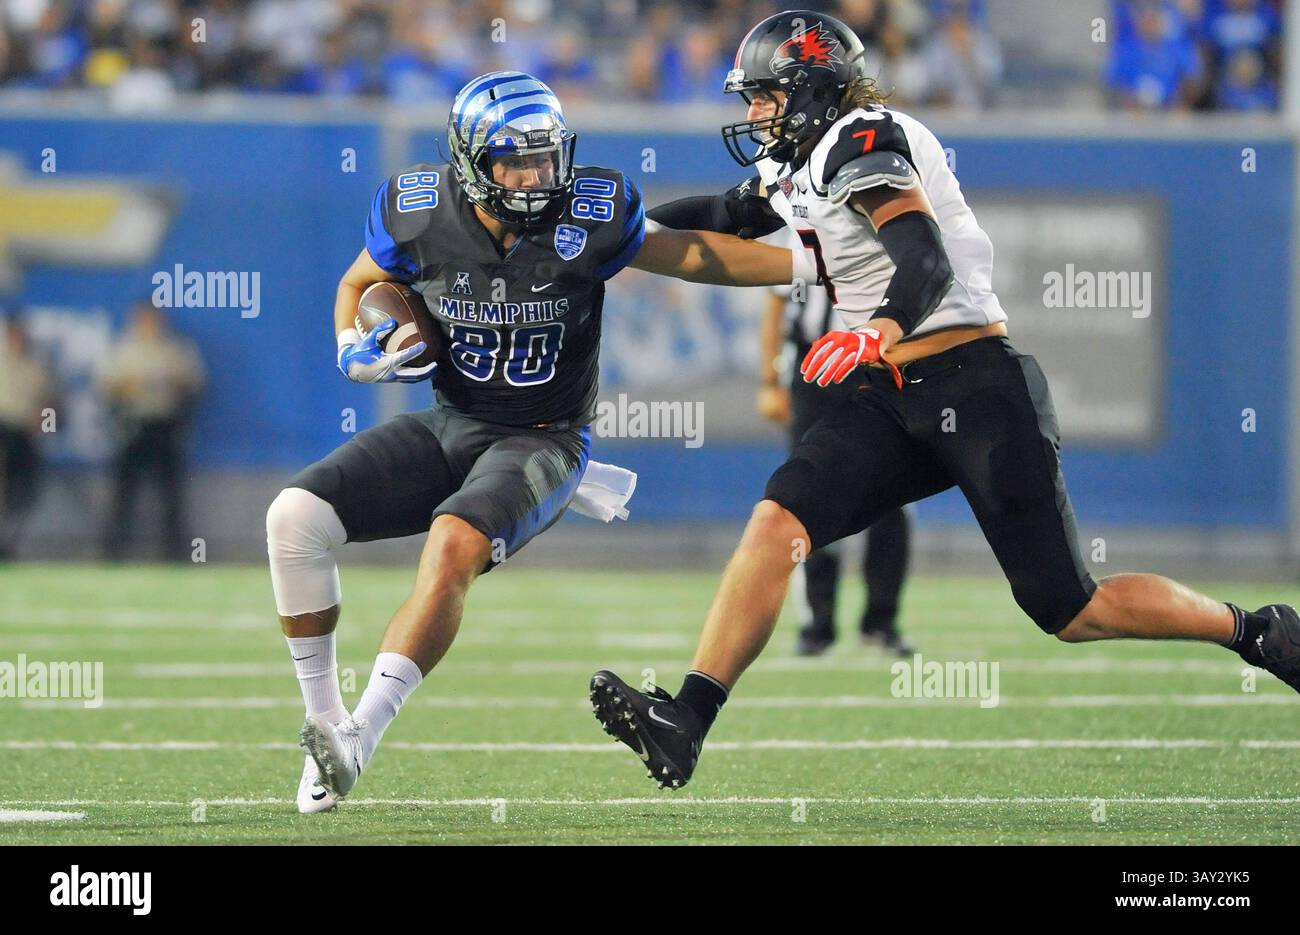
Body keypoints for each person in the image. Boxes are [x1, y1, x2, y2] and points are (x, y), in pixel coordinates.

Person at [588, 10, 1300, 790]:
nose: (755, 114)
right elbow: (727, 219)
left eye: (766, 97)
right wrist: (622, 234)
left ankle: (1257, 631)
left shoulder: (864, 138)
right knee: (777, 520)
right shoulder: (805, 156)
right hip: (889, 394)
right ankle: (686, 718)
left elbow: (923, 259)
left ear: (814, 89)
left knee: (1071, 609)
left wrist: (878, 327)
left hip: (975, 381)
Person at [271, 71, 807, 812]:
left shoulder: (589, 212)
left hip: (544, 439)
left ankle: (361, 734)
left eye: (545, 158)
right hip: (450, 422)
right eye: (513, 161)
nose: (534, 177)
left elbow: (692, 254)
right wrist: (349, 344)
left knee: (453, 541)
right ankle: (327, 721)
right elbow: (357, 283)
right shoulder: (418, 209)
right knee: (291, 520)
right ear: (468, 160)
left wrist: (813, 268)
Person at [755, 240, 913, 656]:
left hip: (879, 370)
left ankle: (881, 622)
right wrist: (770, 381)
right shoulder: (801, 224)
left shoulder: (893, 227)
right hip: (815, 370)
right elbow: (775, 307)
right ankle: (817, 623)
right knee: (807, 496)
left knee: (893, 498)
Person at [100, 301, 205, 562]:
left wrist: (168, 382)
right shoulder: (124, 349)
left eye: (153, 319)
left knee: (170, 494)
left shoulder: (174, 349)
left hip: (164, 426)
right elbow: (107, 385)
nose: (149, 324)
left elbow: (194, 382)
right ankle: (114, 551)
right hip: (133, 425)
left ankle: (174, 552)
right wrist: (132, 385)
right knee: (125, 493)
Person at [0, 315, 56, 559]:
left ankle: (8, 543)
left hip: (22, 437)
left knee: (24, 494)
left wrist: (45, 427)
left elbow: (51, 407)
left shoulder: (36, 369)